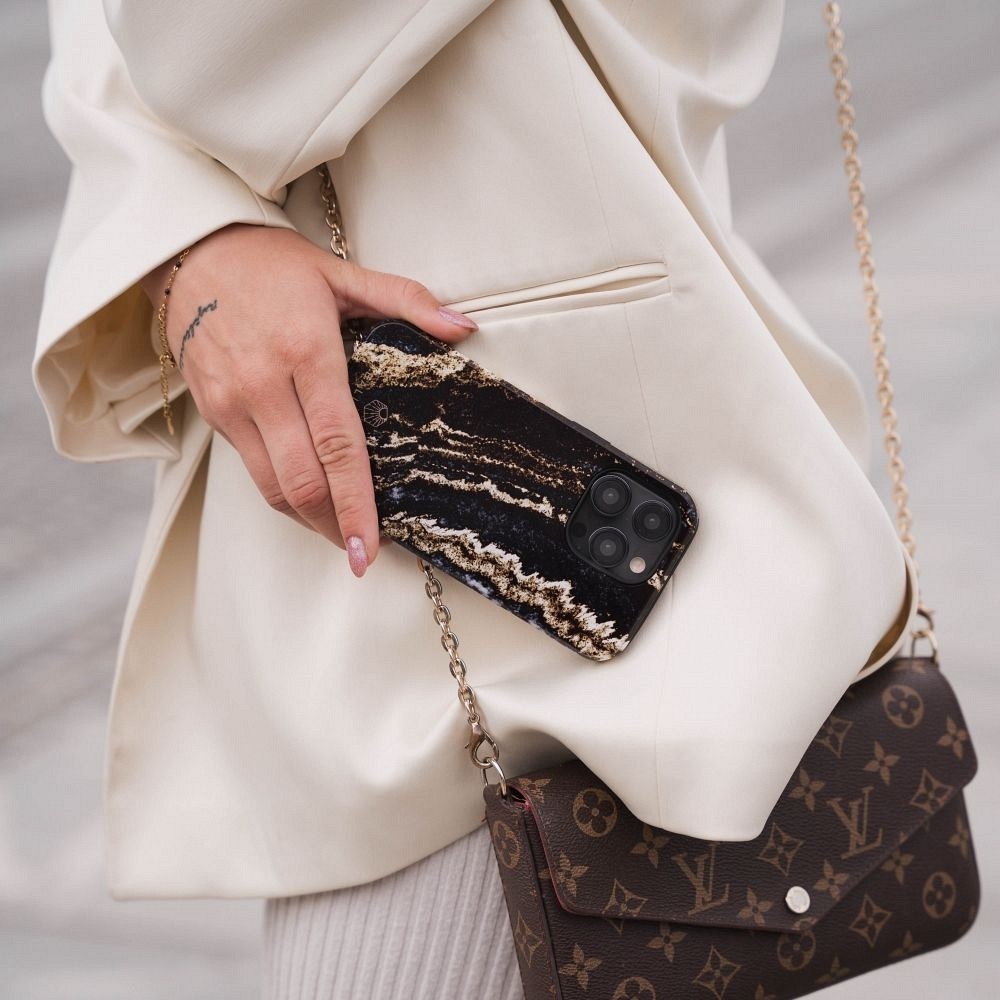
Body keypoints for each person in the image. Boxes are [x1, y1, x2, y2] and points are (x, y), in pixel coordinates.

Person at [34, 1, 918, 996]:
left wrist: (174, 206)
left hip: (524, 473)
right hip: (393, 481)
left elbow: (198, 49)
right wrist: (193, 239)